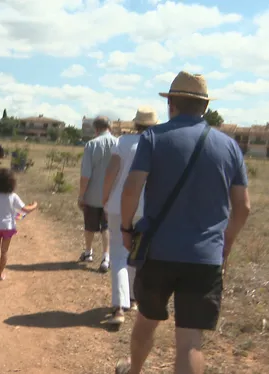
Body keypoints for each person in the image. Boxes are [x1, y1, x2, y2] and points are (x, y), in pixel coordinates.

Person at [115, 71, 251, 374]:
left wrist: (126, 228)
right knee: (190, 342)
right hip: (205, 258)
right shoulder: (229, 146)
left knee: (146, 322)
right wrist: (226, 243)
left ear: (171, 103)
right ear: (204, 108)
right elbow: (243, 206)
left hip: (158, 252)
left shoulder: (153, 138)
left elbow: (132, 187)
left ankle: (133, 370)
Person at [102, 106, 159, 325]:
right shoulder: (159, 144)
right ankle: (133, 299)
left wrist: (104, 198)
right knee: (137, 253)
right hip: (146, 208)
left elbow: (111, 173)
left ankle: (118, 308)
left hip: (118, 205)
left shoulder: (123, 143)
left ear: (135, 124)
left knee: (118, 254)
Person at [0, 168, 38, 280]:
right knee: (4, 251)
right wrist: (34, 205)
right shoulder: (13, 196)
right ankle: (0, 274)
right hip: (9, 227)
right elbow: (25, 209)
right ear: (12, 183)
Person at [77, 116, 118, 272]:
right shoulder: (118, 143)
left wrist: (81, 195)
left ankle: (88, 252)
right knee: (106, 226)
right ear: (110, 127)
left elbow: (85, 174)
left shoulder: (91, 145)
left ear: (96, 129)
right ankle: (106, 257)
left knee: (90, 225)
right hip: (112, 195)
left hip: (93, 194)